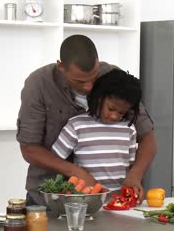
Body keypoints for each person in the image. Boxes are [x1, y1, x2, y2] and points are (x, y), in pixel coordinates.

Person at [16, 34, 156, 206]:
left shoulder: (113, 78)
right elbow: (29, 149)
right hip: (49, 197)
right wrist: (77, 172)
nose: (89, 87)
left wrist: (135, 175)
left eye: (93, 78)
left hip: (109, 201)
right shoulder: (39, 84)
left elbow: (147, 137)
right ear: (61, 66)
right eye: (80, 81)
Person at [52, 69, 141, 192]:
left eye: (121, 112)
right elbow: (55, 159)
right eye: (111, 108)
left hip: (118, 198)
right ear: (99, 98)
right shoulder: (76, 125)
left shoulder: (129, 129)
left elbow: (130, 166)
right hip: (86, 196)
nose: (115, 116)